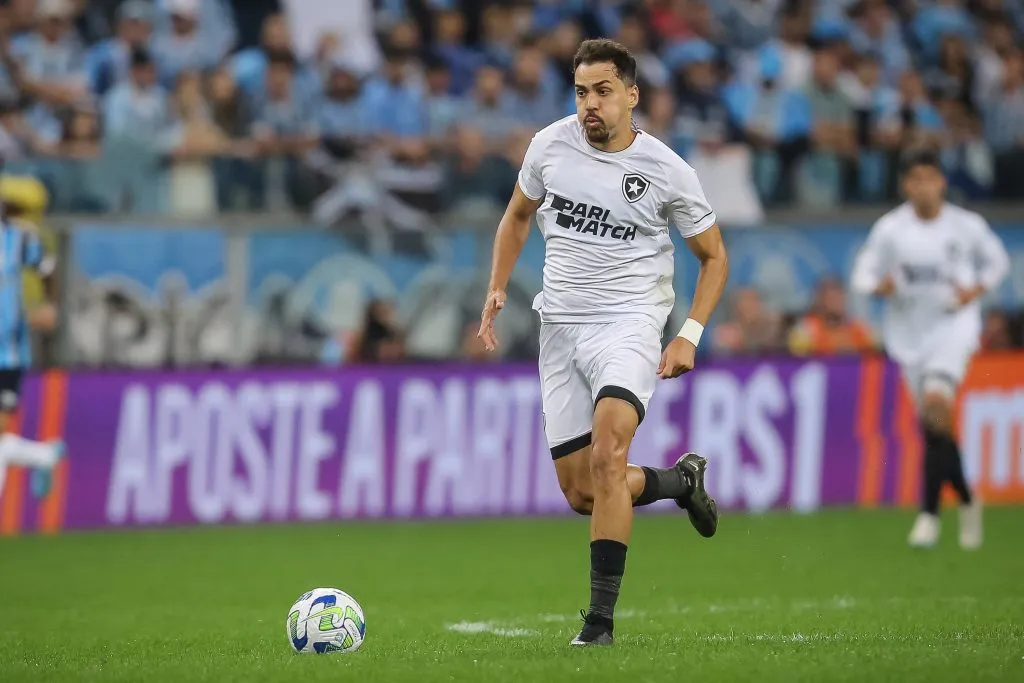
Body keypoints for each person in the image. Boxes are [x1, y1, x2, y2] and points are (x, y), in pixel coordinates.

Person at [477, 39, 729, 647]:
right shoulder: (549, 145)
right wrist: (496, 288)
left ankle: (599, 624)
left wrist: (688, 333)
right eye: (582, 91)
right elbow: (516, 216)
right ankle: (677, 483)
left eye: (604, 91)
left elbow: (714, 256)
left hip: (630, 322)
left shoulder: (667, 170)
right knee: (582, 492)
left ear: (632, 95)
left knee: (609, 452)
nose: (590, 104)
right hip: (560, 326)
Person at [851, 149, 1010, 550]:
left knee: (937, 408)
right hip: (909, 337)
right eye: (916, 179)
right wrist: (879, 287)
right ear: (907, 185)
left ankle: (928, 516)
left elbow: (998, 261)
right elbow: (862, 274)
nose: (924, 186)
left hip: (954, 328)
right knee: (934, 426)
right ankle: (969, 499)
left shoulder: (965, 225)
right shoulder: (891, 230)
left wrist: (975, 290)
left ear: (942, 181)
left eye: (931, 178)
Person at [0, 208, 65, 501]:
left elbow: (48, 268)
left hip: (8, 354)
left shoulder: (17, 239)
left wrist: (49, 305)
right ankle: (42, 455)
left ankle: (43, 456)